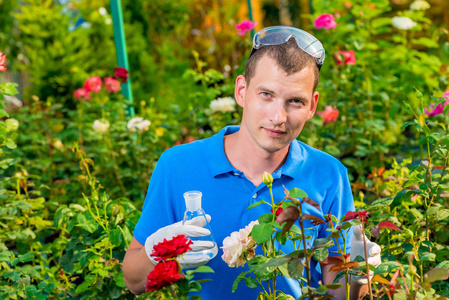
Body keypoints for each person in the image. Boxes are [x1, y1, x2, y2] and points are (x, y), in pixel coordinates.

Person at [122, 26, 377, 299]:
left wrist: (359, 274)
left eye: (295, 101)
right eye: (266, 95)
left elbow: (337, 293)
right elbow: (134, 282)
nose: (278, 117)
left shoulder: (328, 174)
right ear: (242, 91)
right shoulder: (177, 165)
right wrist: (155, 252)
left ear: (312, 106)